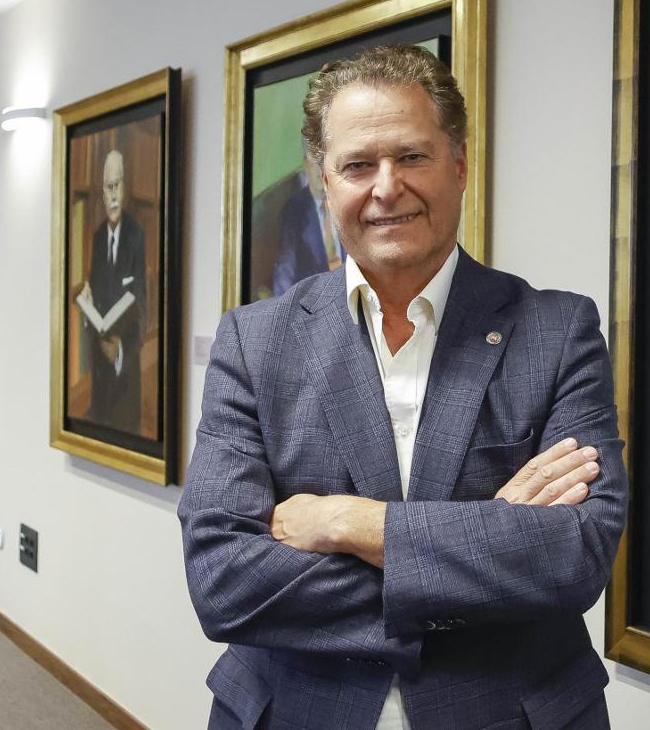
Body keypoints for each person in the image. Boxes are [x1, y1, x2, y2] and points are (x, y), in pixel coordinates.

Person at [178, 44, 626, 730]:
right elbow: (224, 582)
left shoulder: (558, 330)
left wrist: (349, 523)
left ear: (460, 164)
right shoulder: (253, 341)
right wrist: (486, 542)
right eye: (358, 165)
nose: (387, 187)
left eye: (412, 156)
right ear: (323, 184)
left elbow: (575, 557)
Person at [81, 149, 145, 435]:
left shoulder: (136, 235)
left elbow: (141, 304)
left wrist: (119, 349)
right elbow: (97, 287)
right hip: (99, 370)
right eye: (109, 186)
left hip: (125, 366)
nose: (114, 193)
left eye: (118, 184)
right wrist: (87, 301)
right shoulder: (96, 238)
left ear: (126, 188)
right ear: (102, 192)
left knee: (124, 430)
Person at [271, 142, 346, 296]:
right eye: (314, 162)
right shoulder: (294, 210)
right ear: (306, 164)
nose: (320, 171)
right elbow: (285, 269)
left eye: (325, 161)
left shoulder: (347, 200)